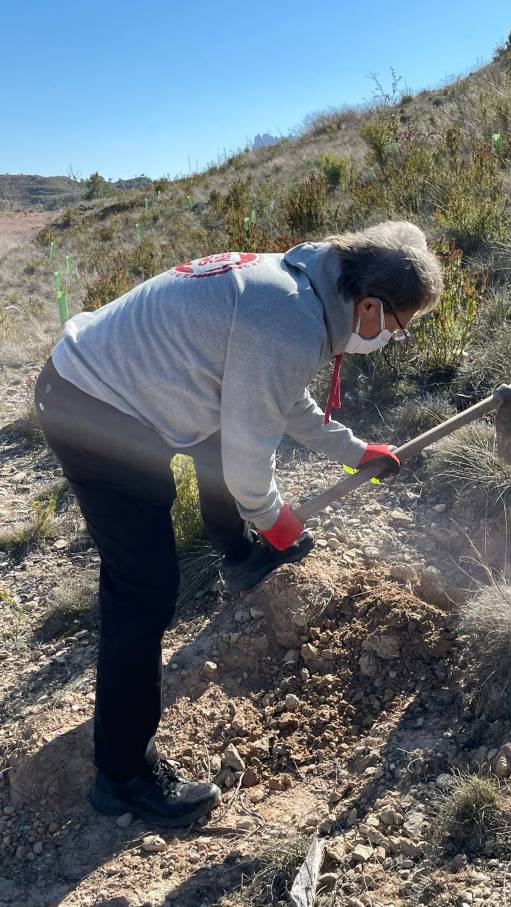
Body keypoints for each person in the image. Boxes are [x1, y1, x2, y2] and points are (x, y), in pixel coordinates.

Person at [34, 220, 443, 828]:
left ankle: (239, 554)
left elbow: (281, 396)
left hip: (110, 381)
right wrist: (273, 517)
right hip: (93, 407)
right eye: (397, 327)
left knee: (216, 437)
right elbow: (250, 457)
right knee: (144, 590)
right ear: (369, 305)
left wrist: (353, 451)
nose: (391, 337)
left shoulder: (303, 287)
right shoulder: (286, 318)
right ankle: (123, 775)